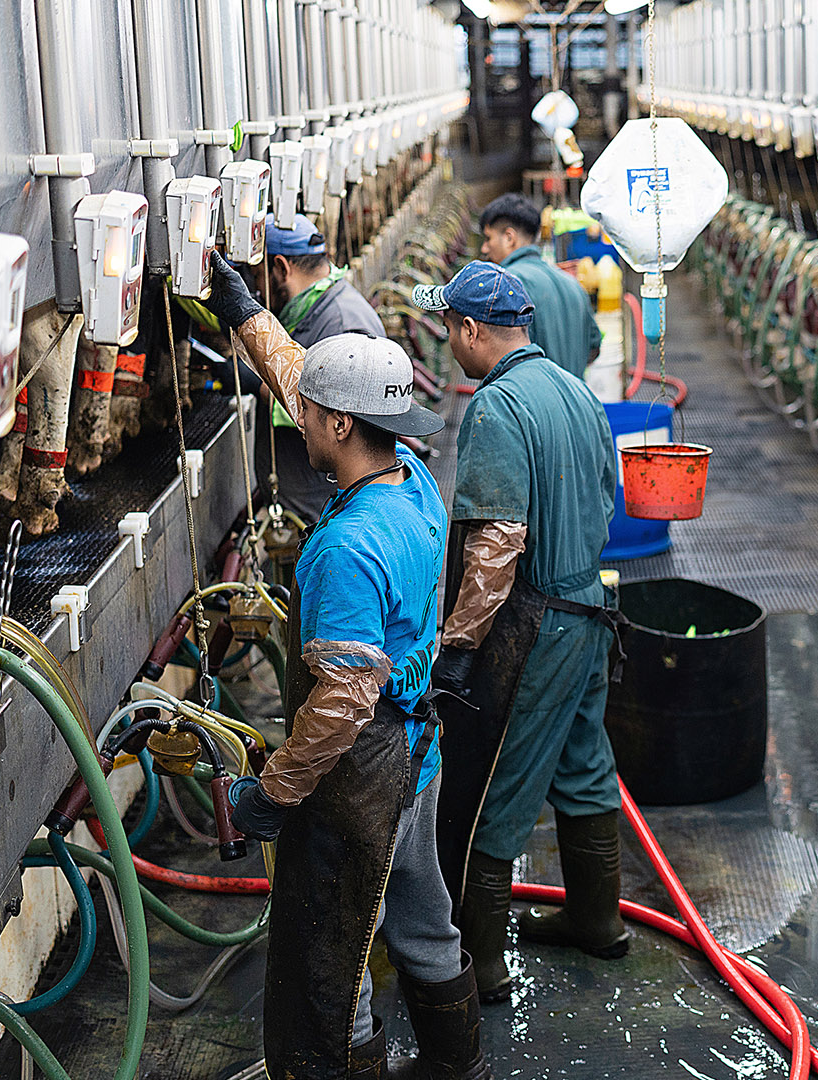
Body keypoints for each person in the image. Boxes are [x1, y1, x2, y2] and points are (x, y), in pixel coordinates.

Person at [203, 251, 488, 1080]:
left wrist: (271, 793)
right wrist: (248, 314)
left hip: (356, 773)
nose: (303, 420)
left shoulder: (344, 550)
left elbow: (340, 704)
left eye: (313, 416)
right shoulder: (412, 484)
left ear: (334, 428)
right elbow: (313, 394)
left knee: (329, 961)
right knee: (423, 919)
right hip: (417, 756)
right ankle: (456, 1063)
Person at [411, 261, 625, 1004]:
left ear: (470, 330)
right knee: (583, 762)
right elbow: (607, 497)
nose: (447, 344)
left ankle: (482, 964)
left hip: (537, 624)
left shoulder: (497, 408)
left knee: (496, 789)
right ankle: (598, 920)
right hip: (593, 608)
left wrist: (460, 647)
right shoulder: (575, 390)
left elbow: (497, 542)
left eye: (448, 329)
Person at [253, 216, 389, 523]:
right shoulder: (316, 308)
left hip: (324, 506)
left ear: (280, 268)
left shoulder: (341, 323)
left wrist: (260, 381)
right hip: (310, 502)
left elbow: (329, 410)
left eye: (256, 275)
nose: (258, 291)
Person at [475, 193, 602, 377]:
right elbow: (594, 348)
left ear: (509, 237)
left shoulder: (505, 285)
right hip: (576, 402)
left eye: (488, 239)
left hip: (528, 405)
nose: (484, 249)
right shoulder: (572, 284)